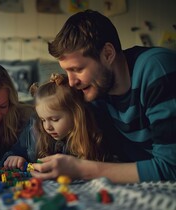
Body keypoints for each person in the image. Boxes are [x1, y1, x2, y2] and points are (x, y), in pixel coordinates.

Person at [31, 9, 176, 183]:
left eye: (77, 69)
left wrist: (80, 169)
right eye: (67, 71)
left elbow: (171, 168)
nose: (72, 82)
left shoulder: (156, 69)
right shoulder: (95, 92)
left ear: (108, 54)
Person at [2, 73, 107, 170]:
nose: (47, 127)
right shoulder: (34, 129)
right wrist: (13, 157)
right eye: (43, 119)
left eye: (54, 119)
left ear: (75, 115)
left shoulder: (93, 134)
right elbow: (13, 152)